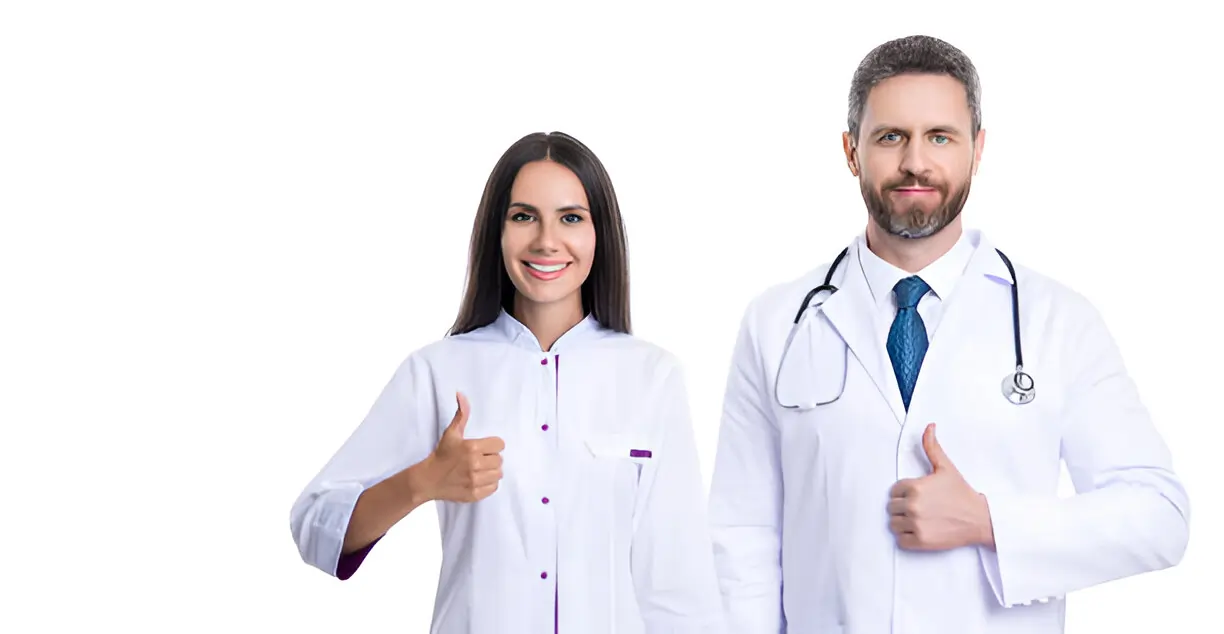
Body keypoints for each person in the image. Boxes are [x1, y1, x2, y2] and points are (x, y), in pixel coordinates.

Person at [706, 35, 1190, 633]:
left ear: (977, 150)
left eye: (940, 136)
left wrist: (987, 521)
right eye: (890, 137)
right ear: (851, 151)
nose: (915, 161)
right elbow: (743, 541)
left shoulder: (1057, 320)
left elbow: (1160, 517)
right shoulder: (777, 322)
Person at [289, 131, 725, 633]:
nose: (545, 240)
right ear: (496, 232)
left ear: (599, 233)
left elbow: (677, 584)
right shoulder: (437, 372)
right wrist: (422, 482)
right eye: (523, 217)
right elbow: (314, 526)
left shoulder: (652, 377)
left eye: (570, 218)